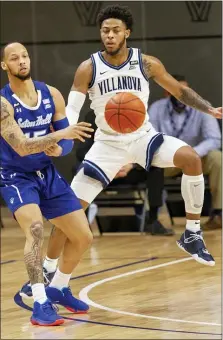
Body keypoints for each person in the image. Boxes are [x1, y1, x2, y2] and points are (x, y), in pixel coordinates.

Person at [20, 5, 222, 298]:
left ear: (127, 32)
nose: (110, 35)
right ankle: (48, 269)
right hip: (107, 145)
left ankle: (192, 233)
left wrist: (209, 109)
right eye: (105, 31)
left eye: (116, 30)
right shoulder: (88, 67)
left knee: (190, 158)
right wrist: (62, 137)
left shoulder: (147, 63)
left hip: (143, 137)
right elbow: (72, 110)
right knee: (68, 215)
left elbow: (179, 90)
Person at [0, 42, 94, 326]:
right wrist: (60, 135)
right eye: (14, 58)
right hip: (15, 175)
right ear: (5, 66)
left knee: (83, 237)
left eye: (25, 56)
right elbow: (22, 147)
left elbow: (66, 141)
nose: (22, 61)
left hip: (45, 172)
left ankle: (59, 287)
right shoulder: (3, 104)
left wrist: (61, 147)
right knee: (36, 231)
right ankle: (40, 301)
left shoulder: (50, 93)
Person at [149, 75, 222, 230]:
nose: (181, 95)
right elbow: (151, 137)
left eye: (185, 91)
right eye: (176, 91)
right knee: (150, 160)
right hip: (168, 159)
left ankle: (218, 213)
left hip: (196, 157)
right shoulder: (156, 108)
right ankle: (153, 218)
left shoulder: (203, 107)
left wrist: (190, 154)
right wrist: (173, 154)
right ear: (167, 93)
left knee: (217, 158)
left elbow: (214, 139)